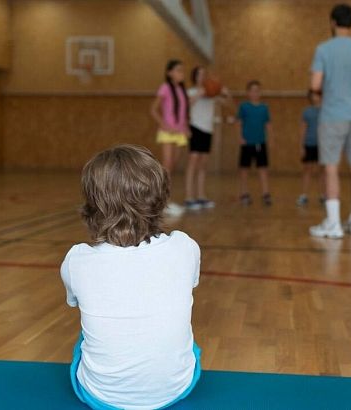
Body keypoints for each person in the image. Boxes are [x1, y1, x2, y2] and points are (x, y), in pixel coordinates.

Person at [61, 145, 201, 410]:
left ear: (93, 204)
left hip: (100, 397)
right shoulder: (185, 246)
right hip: (177, 389)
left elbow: (74, 302)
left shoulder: (76, 259)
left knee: (87, 333)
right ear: (161, 197)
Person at [309, 3, 351, 238]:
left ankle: (334, 224)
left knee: (331, 168)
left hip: (332, 116)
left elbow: (315, 85)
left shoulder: (324, 49)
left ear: (333, 22)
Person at [184, 66, 232, 210]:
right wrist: (200, 93)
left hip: (208, 129)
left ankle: (201, 196)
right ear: (194, 76)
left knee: (203, 164)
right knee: (193, 162)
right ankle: (189, 197)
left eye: (204, 74)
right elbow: (186, 106)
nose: (202, 77)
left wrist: (226, 93)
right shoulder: (191, 92)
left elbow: (228, 103)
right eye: (199, 74)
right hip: (195, 128)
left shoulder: (212, 93)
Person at [150, 60, 190, 216]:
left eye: (182, 70)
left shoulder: (181, 89)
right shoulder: (165, 88)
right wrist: (164, 125)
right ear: (169, 73)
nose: (181, 73)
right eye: (178, 70)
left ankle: (163, 201)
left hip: (179, 133)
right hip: (168, 133)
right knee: (166, 168)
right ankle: (163, 202)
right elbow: (153, 109)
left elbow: (183, 112)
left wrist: (185, 127)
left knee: (172, 167)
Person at [237, 80, 273, 206]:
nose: (255, 93)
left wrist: (271, 139)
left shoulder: (264, 108)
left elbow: (268, 124)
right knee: (244, 170)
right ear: (248, 93)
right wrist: (240, 137)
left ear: (260, 92)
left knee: (263, 169)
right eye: (252, 90)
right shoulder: (244, 107)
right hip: (247, 143)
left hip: (260, 142)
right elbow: (239, 123)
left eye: (257, 91)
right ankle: (244, 193)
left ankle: (265, 194)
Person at [297, 89, 325, 206]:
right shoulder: (307, 112)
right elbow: (302, 130)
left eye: (317, 95)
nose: (315, 98)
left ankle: (323, 196)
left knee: (322, 171)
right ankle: (304, 195)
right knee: (307, 170)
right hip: (309, 144)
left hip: (323, 145)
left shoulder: (327, 111)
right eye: (312, 96)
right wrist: (301, 146)